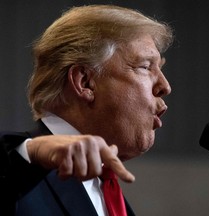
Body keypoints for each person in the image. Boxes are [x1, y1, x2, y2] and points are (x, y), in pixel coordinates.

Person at [0, 4, 174, 216]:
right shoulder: (21, 171)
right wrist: (29, 153)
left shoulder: (111, 197)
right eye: (146, 67)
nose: (165, 86)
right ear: (85, 82)